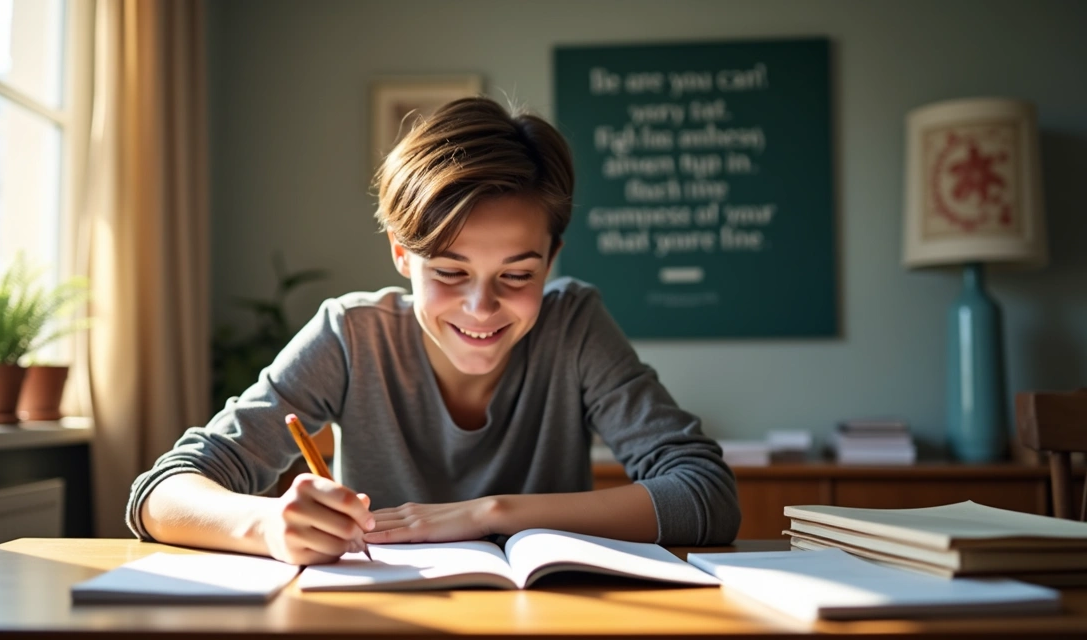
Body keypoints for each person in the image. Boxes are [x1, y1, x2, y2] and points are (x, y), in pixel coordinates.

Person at [128, 97, 741, 565]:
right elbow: (161, 492)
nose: (482, 306)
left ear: (552, 259)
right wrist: (267, 526)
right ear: (402, 256)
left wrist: (488, 514)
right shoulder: (351, 335)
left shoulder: (573, 326)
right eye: (449, 271)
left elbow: (707, 494)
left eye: (517, 273)